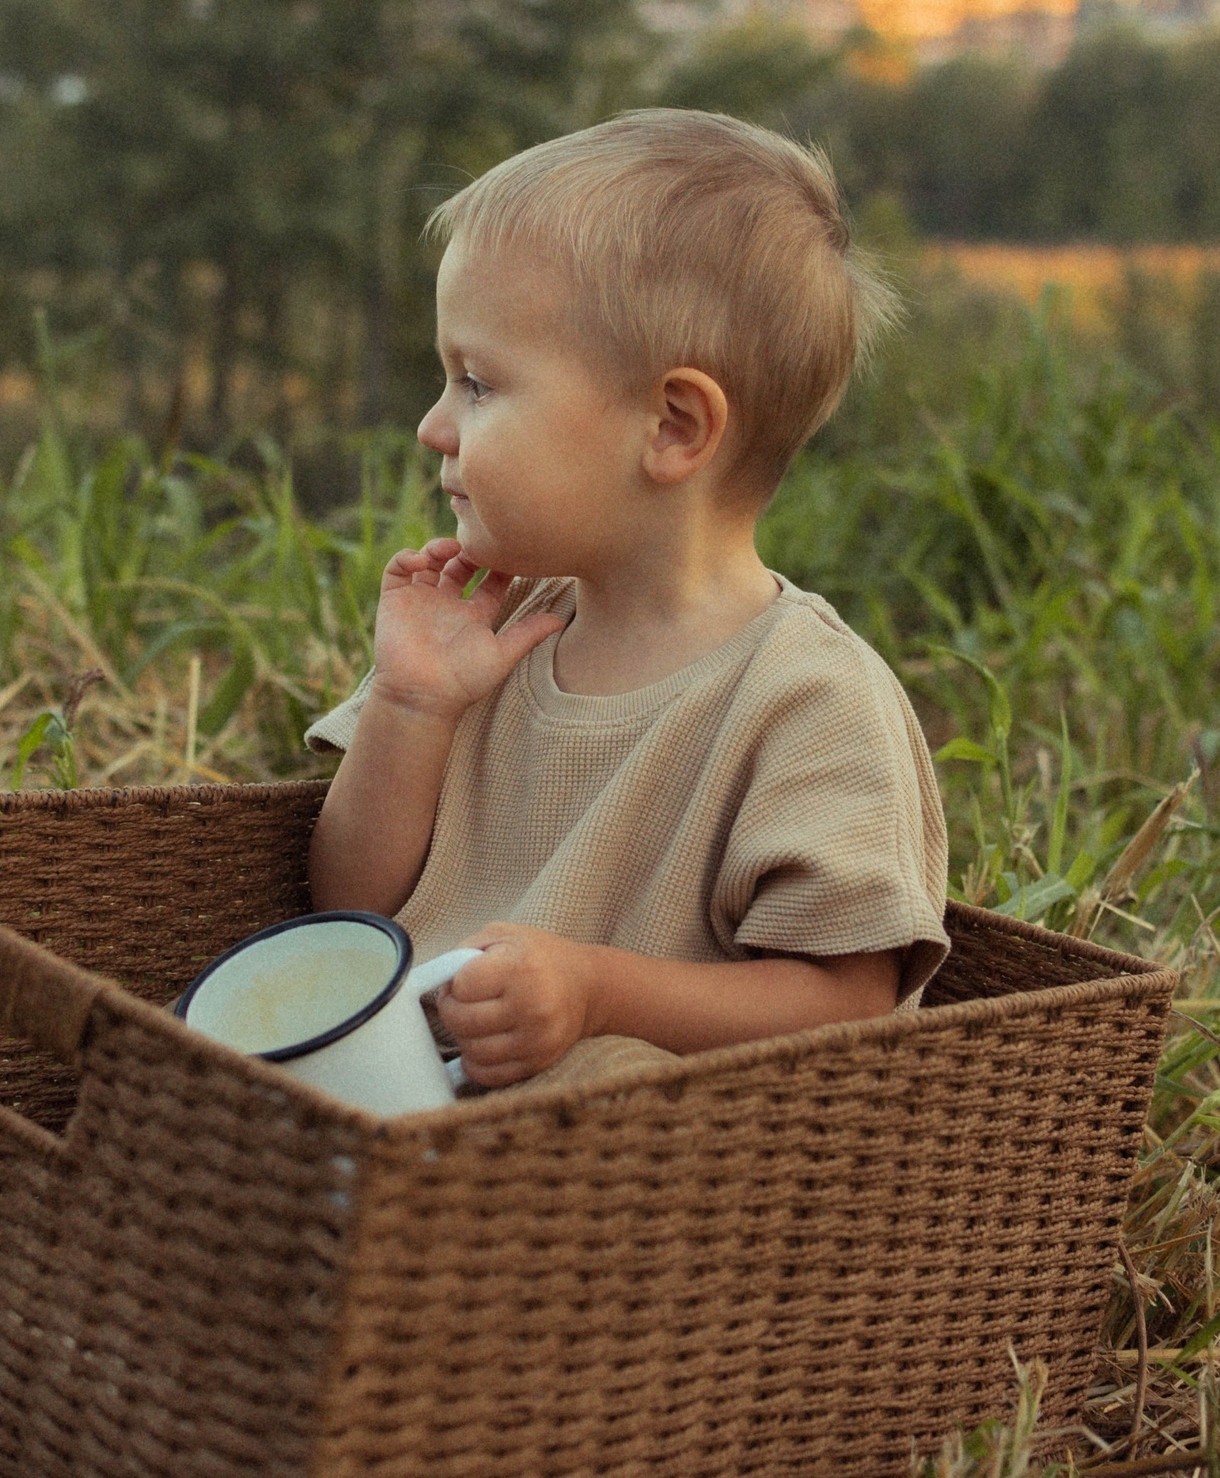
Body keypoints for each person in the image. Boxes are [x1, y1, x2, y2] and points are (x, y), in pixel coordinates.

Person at [304, 109, 949, 1093]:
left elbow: (848, 1002)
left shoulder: (807, 701)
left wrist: (595, 992)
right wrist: (409, 705)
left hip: (615, 1168)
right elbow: (348, 907)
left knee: (599, 1072)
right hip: (391, 1092)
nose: (434, 427)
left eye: (476, 382)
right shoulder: (492, 633)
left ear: (673, 425)